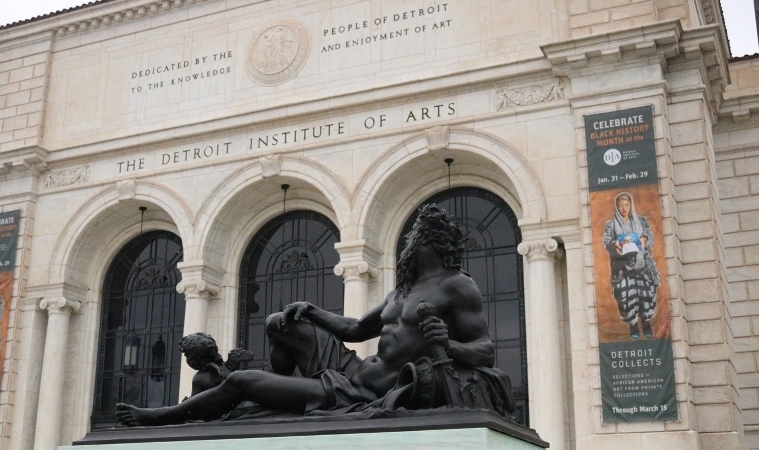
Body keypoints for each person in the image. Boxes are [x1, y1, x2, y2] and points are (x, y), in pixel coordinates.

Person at [116, 204, 514, 426]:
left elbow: (485, 352)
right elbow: (356, 329)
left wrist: (447, 344)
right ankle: (283, 391)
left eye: (411, 237)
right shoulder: (402, 290)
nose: (406, 243)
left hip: (363, 394)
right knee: (280, 322)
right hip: (351, 370)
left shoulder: (457, 285)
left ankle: (165, 415)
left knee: (241, 379)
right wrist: (311, 310)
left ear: (428, 240)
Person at [602, 192, 661, 339]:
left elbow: (649, 235)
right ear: (617, 207)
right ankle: (633, 325)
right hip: (622, 266)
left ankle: (646, 322)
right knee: (625, 297)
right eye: (621, 205)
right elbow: (606, 240)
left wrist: (644, 239)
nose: (623, 208)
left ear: (631, 206)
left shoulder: (641, 221)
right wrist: (614, 243)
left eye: (626, 205)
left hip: (643, 264)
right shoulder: (611, 224)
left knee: (646, 294)